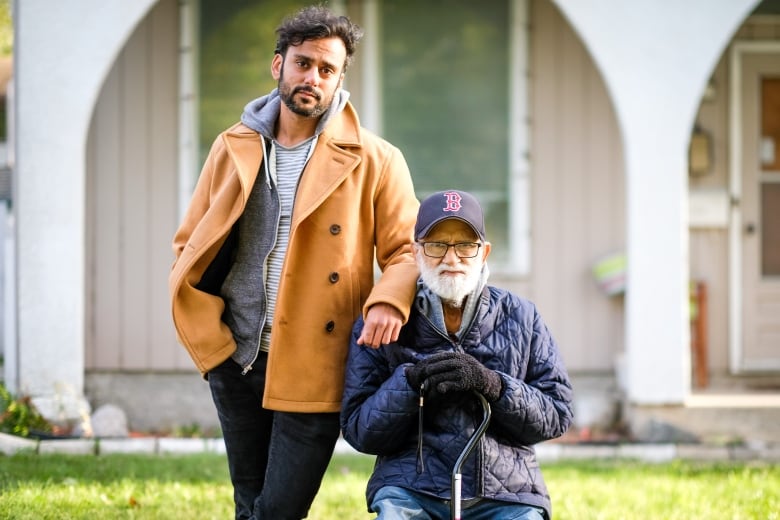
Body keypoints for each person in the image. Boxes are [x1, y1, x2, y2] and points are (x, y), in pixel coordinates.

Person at [168, 6, 420, 519]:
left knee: (279, 510)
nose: (313, 78)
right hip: (236, 357)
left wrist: (388, 300)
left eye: (327, 69)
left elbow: (407, 250)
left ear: (340, 78)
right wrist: (212, 344)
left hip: (317, 362)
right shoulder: (232, 146)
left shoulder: (376, 158)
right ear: (277, 65)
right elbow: (191, 243)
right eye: (303, 63)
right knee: (249, 503)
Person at [341, 190, 574, 519]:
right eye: (437, 245)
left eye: (466, 245)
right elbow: (360, 431)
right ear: (416, 251)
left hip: (506, 493)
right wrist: (409, 383)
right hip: (411, 488)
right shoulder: (380, 321)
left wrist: (494, 385)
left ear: (484, 253)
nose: (451, 259)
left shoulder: (523, 316)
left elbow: (557, 414)